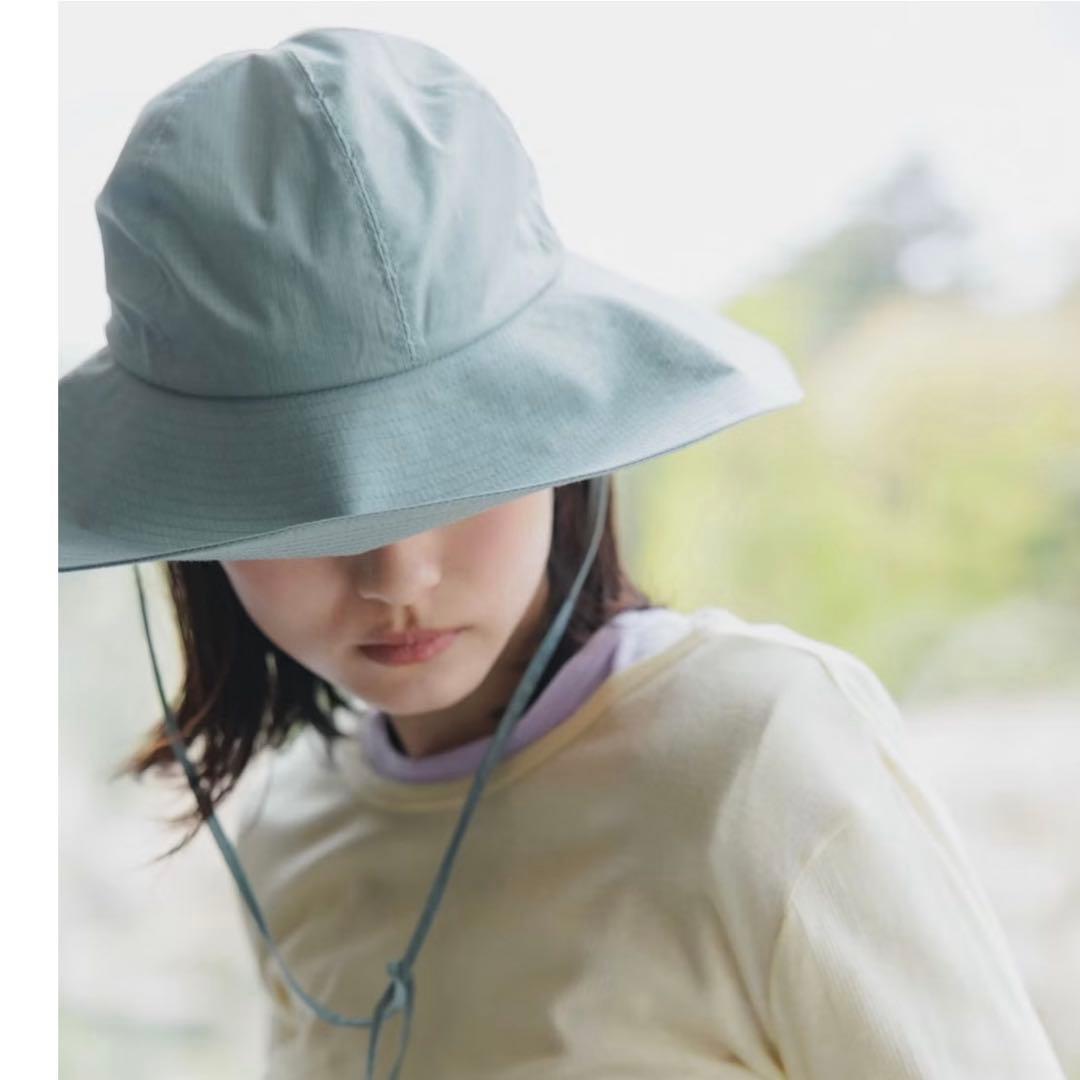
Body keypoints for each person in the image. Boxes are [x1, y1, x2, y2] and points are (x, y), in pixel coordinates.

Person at [59, 25, 1066, 1080]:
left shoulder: (753, 752)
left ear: (562, 442)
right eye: (299, 510)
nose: (397, 575)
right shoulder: (290, 831)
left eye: (460, 467)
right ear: (190, 526)